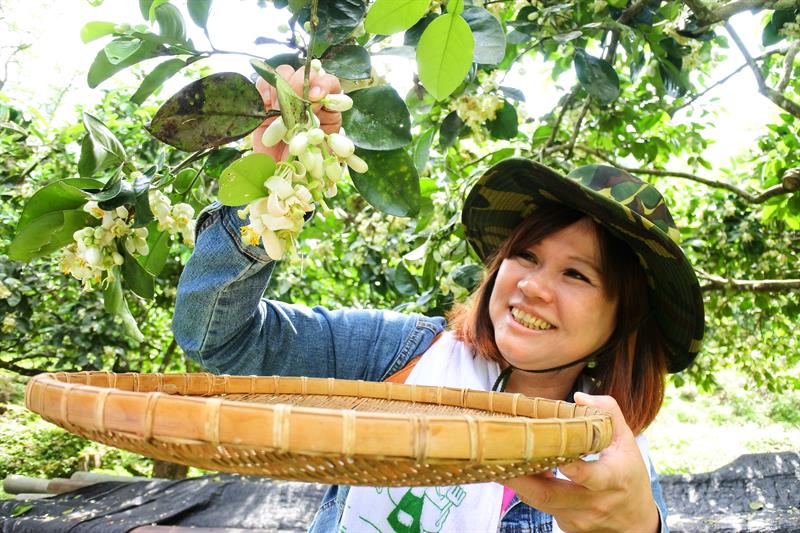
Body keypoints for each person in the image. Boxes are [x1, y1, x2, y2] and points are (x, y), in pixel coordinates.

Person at [173, 66, 705, 533]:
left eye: (577, 274)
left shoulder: (613, 463)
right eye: (526, 256)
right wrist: (269, 191)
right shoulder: (401, 355)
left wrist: (639, 527)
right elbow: (219, 338)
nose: (534, 286)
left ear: (622, 321)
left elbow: (627, 516)